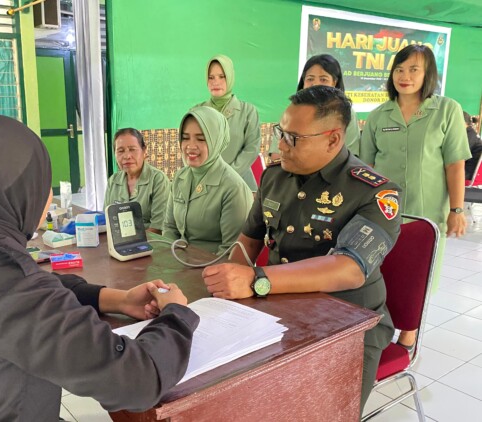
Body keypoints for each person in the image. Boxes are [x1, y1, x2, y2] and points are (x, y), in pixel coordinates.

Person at [0, 115, 199, 421]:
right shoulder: (9, 284)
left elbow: (37, 288)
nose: (46, 198)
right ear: (18, 193)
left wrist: (115, 299)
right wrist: (176, 316)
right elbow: (137, 380)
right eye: (41, 184)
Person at [201, 86, 401, 413]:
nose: (280, 145)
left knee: (322, 413)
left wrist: (255, 280)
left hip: (349, 327)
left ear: (333, 139)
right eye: (281, 133)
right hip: (279, 313)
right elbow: (248, 239)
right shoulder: (274, 178)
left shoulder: (374, 192)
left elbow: (348, 268)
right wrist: (228, 286)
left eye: (293, 138)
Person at [360, 45, 471, 349]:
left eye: (414, 69)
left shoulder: (446, 110)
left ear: (428, 74)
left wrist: (457, 209)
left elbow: (454, 163)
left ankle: (409, 333)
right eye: (399, 69)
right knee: (381, 269)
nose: (405, 76)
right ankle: (379, 326)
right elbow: (366, 168)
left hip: (427, 213)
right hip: (383, 212)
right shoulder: (378, 115)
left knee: (419, 272)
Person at [162, 106, 253, 255]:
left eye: (201, 139)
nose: (190, 146)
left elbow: (231, 251)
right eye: (185, 138)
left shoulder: (233, 188)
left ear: (216, 140)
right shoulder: (180, 177)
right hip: (178, 264)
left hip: (212, 270)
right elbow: (170, 228)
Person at [269, 54, 361, 159]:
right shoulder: (292, 111)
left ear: (334, 83)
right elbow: (276, 154)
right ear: (303, 82)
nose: (315, 84)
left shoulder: (346, 113)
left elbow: (351, 155)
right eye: (310, 79)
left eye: (323, 79)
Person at [195, 54, 261, 191]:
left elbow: (252, 148)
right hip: (205, 185)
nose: (215, 82)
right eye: (211, 77)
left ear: (230, 77)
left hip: (240, 184)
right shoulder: (197, 112)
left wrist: (226, 176)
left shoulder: (247, 111)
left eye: (222, 76)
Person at [104, 128, 170, 234]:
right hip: (118, 242)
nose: (127, 156)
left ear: (144, 151)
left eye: (132, 149)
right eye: (120, 151)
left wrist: (132, 242)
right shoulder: (113, 180)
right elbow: (107, 220)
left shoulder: (158, 180)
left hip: (150, 243)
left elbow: (158, 228)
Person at [464, 111, 482, 180]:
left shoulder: (469, 135)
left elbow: (459, 156)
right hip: (470, 170)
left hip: (469, 172)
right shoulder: (471, 133)